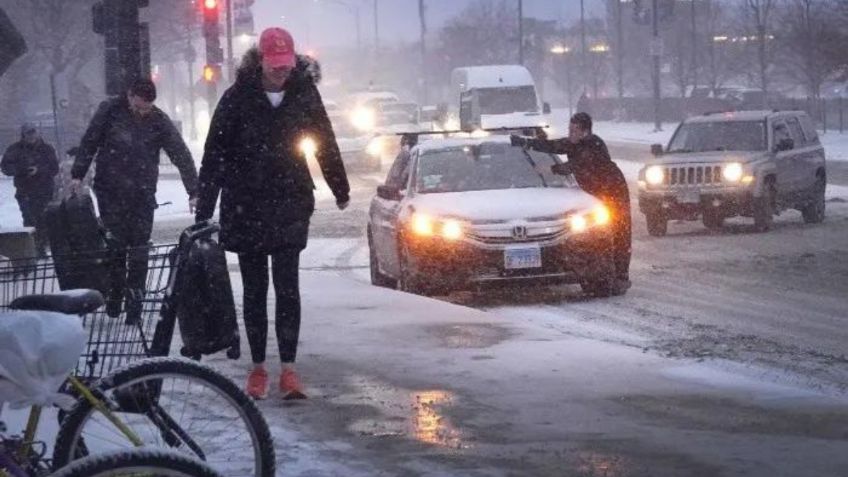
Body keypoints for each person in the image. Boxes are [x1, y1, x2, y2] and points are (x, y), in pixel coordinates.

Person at [195, 27, 350, 400]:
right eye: (274, 65)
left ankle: (290, 369)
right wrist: (204, 206)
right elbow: (214, 154)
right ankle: (259, 368)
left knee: (287, 288)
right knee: (253, 289)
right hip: (245, 203)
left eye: (286, 65)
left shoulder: (304, 95)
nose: (281, 71)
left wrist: (339, 188)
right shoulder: (237, 98)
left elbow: (325, 142)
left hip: (289, 201)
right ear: (261, 61)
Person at [70, 78, 199, 323]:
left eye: (147, 109)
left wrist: (193, 190)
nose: (143, 113)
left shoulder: (158, 120)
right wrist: (78, 174)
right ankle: (115, 295)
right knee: (116, 246)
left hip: (142, 193)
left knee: (139, 249)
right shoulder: (109, 112)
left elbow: (180, 153)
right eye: (139, 108)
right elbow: (90, 141)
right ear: (129, 96)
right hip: (110, 190)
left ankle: (134, 304)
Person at [511, 113, 631, 295]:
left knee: (618, 231)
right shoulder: (573, 143)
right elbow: (553, 146)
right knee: (604, 233)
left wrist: (550, 169)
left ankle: (620, 277)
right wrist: (526, 142)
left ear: (585, 131)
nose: (570, 133)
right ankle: (608, 273)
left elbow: (577, 165)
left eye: (574, 130)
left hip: (613, 190)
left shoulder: (593, 145)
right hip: (595, 192)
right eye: (569, 129)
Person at [1, 123, 58, 255]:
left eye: (33, 133)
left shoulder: (47, 149)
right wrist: (22, 170)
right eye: (28, 134)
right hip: (24, 191)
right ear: (23, 135)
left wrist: (39, 170)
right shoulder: (15, 149)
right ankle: (35, 248)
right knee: (29, 219)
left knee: (44, 219)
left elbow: (54, 168)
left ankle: (43, 246)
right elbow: (5, 168)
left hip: (44, 190)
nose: (31, 136)